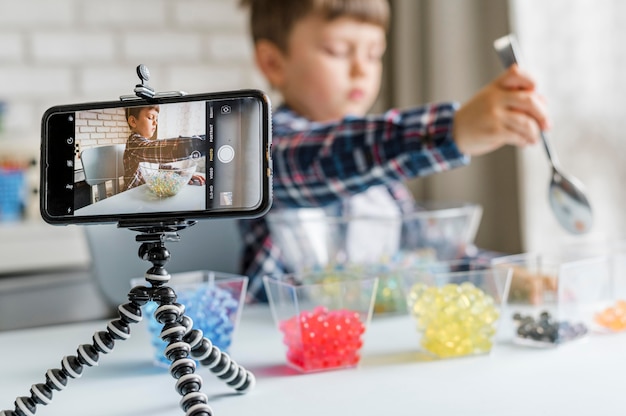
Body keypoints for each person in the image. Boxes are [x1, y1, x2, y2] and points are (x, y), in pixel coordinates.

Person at [238, 0, 550, 302]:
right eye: (338, 51)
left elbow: (424, 248)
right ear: (273, 64)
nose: (362, 69)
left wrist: (496, 274)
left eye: (374, 54)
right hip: (277, 336)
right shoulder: (264, 149)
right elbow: (320, 160)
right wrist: (451, 129)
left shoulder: (384, 172)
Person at [123, 105, 207, 190]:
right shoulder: (133, 143)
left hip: (147, 193)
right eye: (150, 117)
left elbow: (160, 167)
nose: (155, 123)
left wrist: (182, 173)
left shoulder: (145, 144)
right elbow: (159, 150)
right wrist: (200, 144)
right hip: (132, 196)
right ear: (133, 121)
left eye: (156, 119)